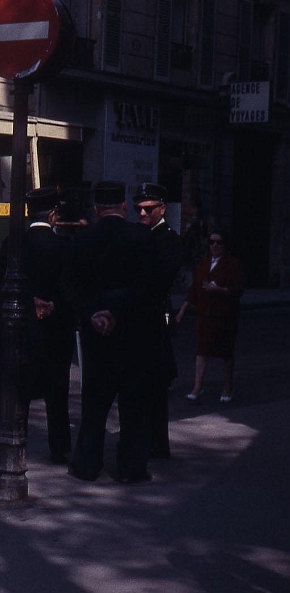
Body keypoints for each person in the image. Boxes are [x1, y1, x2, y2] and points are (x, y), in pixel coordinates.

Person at [69, 181, 156, 483]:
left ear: (95, 209)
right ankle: (132, 467)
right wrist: (117, 313)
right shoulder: (142, 237)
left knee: (94, 404)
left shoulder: (83, 239)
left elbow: (72, 289)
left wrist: (93, 315)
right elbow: (148, 288)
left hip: (97, 334)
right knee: (133, 404)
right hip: (131, 331)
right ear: (122, 206)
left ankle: (87, 464)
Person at [0, 187, 76, 464]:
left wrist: (28, 301)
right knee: (57, 391)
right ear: (53, 215)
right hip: (53, 330)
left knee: (17, 389)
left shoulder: (13, 244)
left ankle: (14, 442)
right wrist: (51, 305)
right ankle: (59, 448)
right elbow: (72, 290)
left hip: (21, 331)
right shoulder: (64, 246)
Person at [133, 183, 183, 458]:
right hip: (141, 318)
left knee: (155, 385)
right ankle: (145, 438)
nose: (142, 212)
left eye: (148, 208)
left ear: (162, 209)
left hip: (154, 317)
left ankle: (157, 443)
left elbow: (160, 279)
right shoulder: (141, 235)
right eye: (138, 207)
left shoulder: (167, 238)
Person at [176, 230, 244, 403]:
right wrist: (183, 308)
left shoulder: (233, 264)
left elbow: (238, 290)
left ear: (225, 245)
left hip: (224, 315)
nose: (214, 246)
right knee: (202, 351)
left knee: (225, 352)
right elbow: (194, 289)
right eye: (212, 242)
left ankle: (228, 386)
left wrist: (219, 289)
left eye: (218, 243)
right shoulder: (204, 263)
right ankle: (197, 386)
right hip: (204, 314)